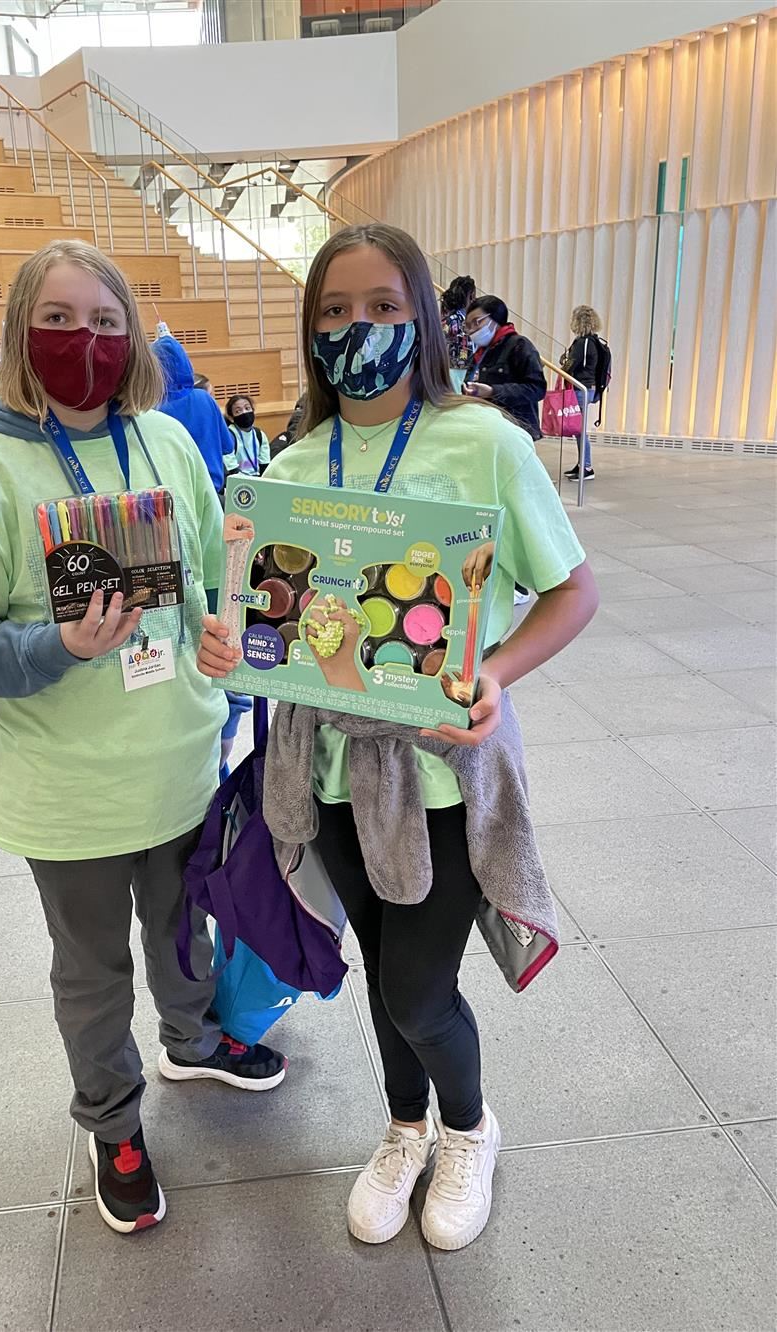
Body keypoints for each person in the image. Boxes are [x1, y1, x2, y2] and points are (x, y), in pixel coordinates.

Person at [198, 224, 597, 1254]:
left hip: (443, 776)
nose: (356, 327)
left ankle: (468, 1129)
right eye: (334, 310)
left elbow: (573, 590)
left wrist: (497, 674)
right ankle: (405, 1126)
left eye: (381, 306)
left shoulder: (486, 442)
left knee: (422, 984)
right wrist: (227, 641)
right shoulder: (289, 463)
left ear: (423, 316)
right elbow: (266, 618)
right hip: (326, 766)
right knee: (381, 971)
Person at [0, 239, 285, 1239]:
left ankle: (195, 1035)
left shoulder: (165, 441)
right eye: (63, 320)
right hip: (69, 793)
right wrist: (59, 644)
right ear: (22, 334)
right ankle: (113, 1123)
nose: (88, 341)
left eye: (108, 321)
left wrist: (220, 639)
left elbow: (211, 580)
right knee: (92, 972)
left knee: (182, 929)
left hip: (181, 758)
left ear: (134, 334)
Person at [152, 333, 231, 498]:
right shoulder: (204, 398)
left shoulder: (154, 410)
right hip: (213, 492)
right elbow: (228, 446)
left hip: (178, 497)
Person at [462, 295, 547, 442]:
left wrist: (493, 391)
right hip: (488, 428)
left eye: (477, 322)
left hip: (516, 430)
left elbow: (537, 388)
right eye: (468, 325)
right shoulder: (480, 353)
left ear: (495, 319)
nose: (472, 330)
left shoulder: (519, 345)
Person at [560, 305, 603, 481]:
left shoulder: (583, 343)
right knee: (579, 429)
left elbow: (574, 364)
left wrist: (562, 366)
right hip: (588, 388)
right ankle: (582, 464)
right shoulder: (592, 341)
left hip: (581, 388)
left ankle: (587, 467)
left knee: (580, 430)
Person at [440, 274, 476, 392]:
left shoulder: (449, 319)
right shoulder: (457, 321)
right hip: (456, 372)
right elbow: (462, 354)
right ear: (470, 296)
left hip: (458, 370)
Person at [223, 394, 270, 476]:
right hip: (239, 483)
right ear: (231, 418)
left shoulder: (259, 434)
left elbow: (265, 465)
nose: (244, 412)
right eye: (238, 411)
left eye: (247, 408)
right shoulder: (229, 436)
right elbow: (232, 469)